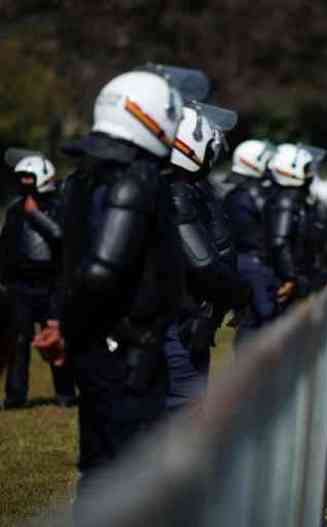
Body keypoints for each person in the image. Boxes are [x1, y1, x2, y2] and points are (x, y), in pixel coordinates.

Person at [33, 66, 201, 519]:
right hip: (129, 357)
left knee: (101, 470)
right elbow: (102, 270)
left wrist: (64, 326)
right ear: (145, 116)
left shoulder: (85, 177)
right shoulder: (136, 179)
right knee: (127, 475)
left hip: (101, 350)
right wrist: (66, 327)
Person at [166, 102, 251, 411]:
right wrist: (242, 293)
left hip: (194, 324)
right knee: (183, 417)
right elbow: (204, 265)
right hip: (180, 327)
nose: (216, 151)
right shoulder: (177, 193)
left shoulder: (194, 189)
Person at [1, 150, 76, 408]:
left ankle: (66, 394)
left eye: (28, 178)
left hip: (51, 284)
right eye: (20, 178)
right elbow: (6, 245)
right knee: (19, 342)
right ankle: (15, 396)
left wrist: (36, 215)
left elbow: (60, 237)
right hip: (20, 287)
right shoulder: (14, 210)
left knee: (54, 340)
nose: (24, 183)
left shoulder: (57, 207)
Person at [223, 139, 279, 343]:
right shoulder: (248, 196)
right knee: (259, 320)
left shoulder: (238, 195)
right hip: (252, 263)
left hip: (249, 262)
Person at [266, 143, 326, 300]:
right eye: (306, 169)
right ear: (292, 170)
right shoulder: (288, 199)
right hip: (291, 278)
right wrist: (291, 277)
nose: (311, 174)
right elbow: (279, 241)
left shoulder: (293, 198)